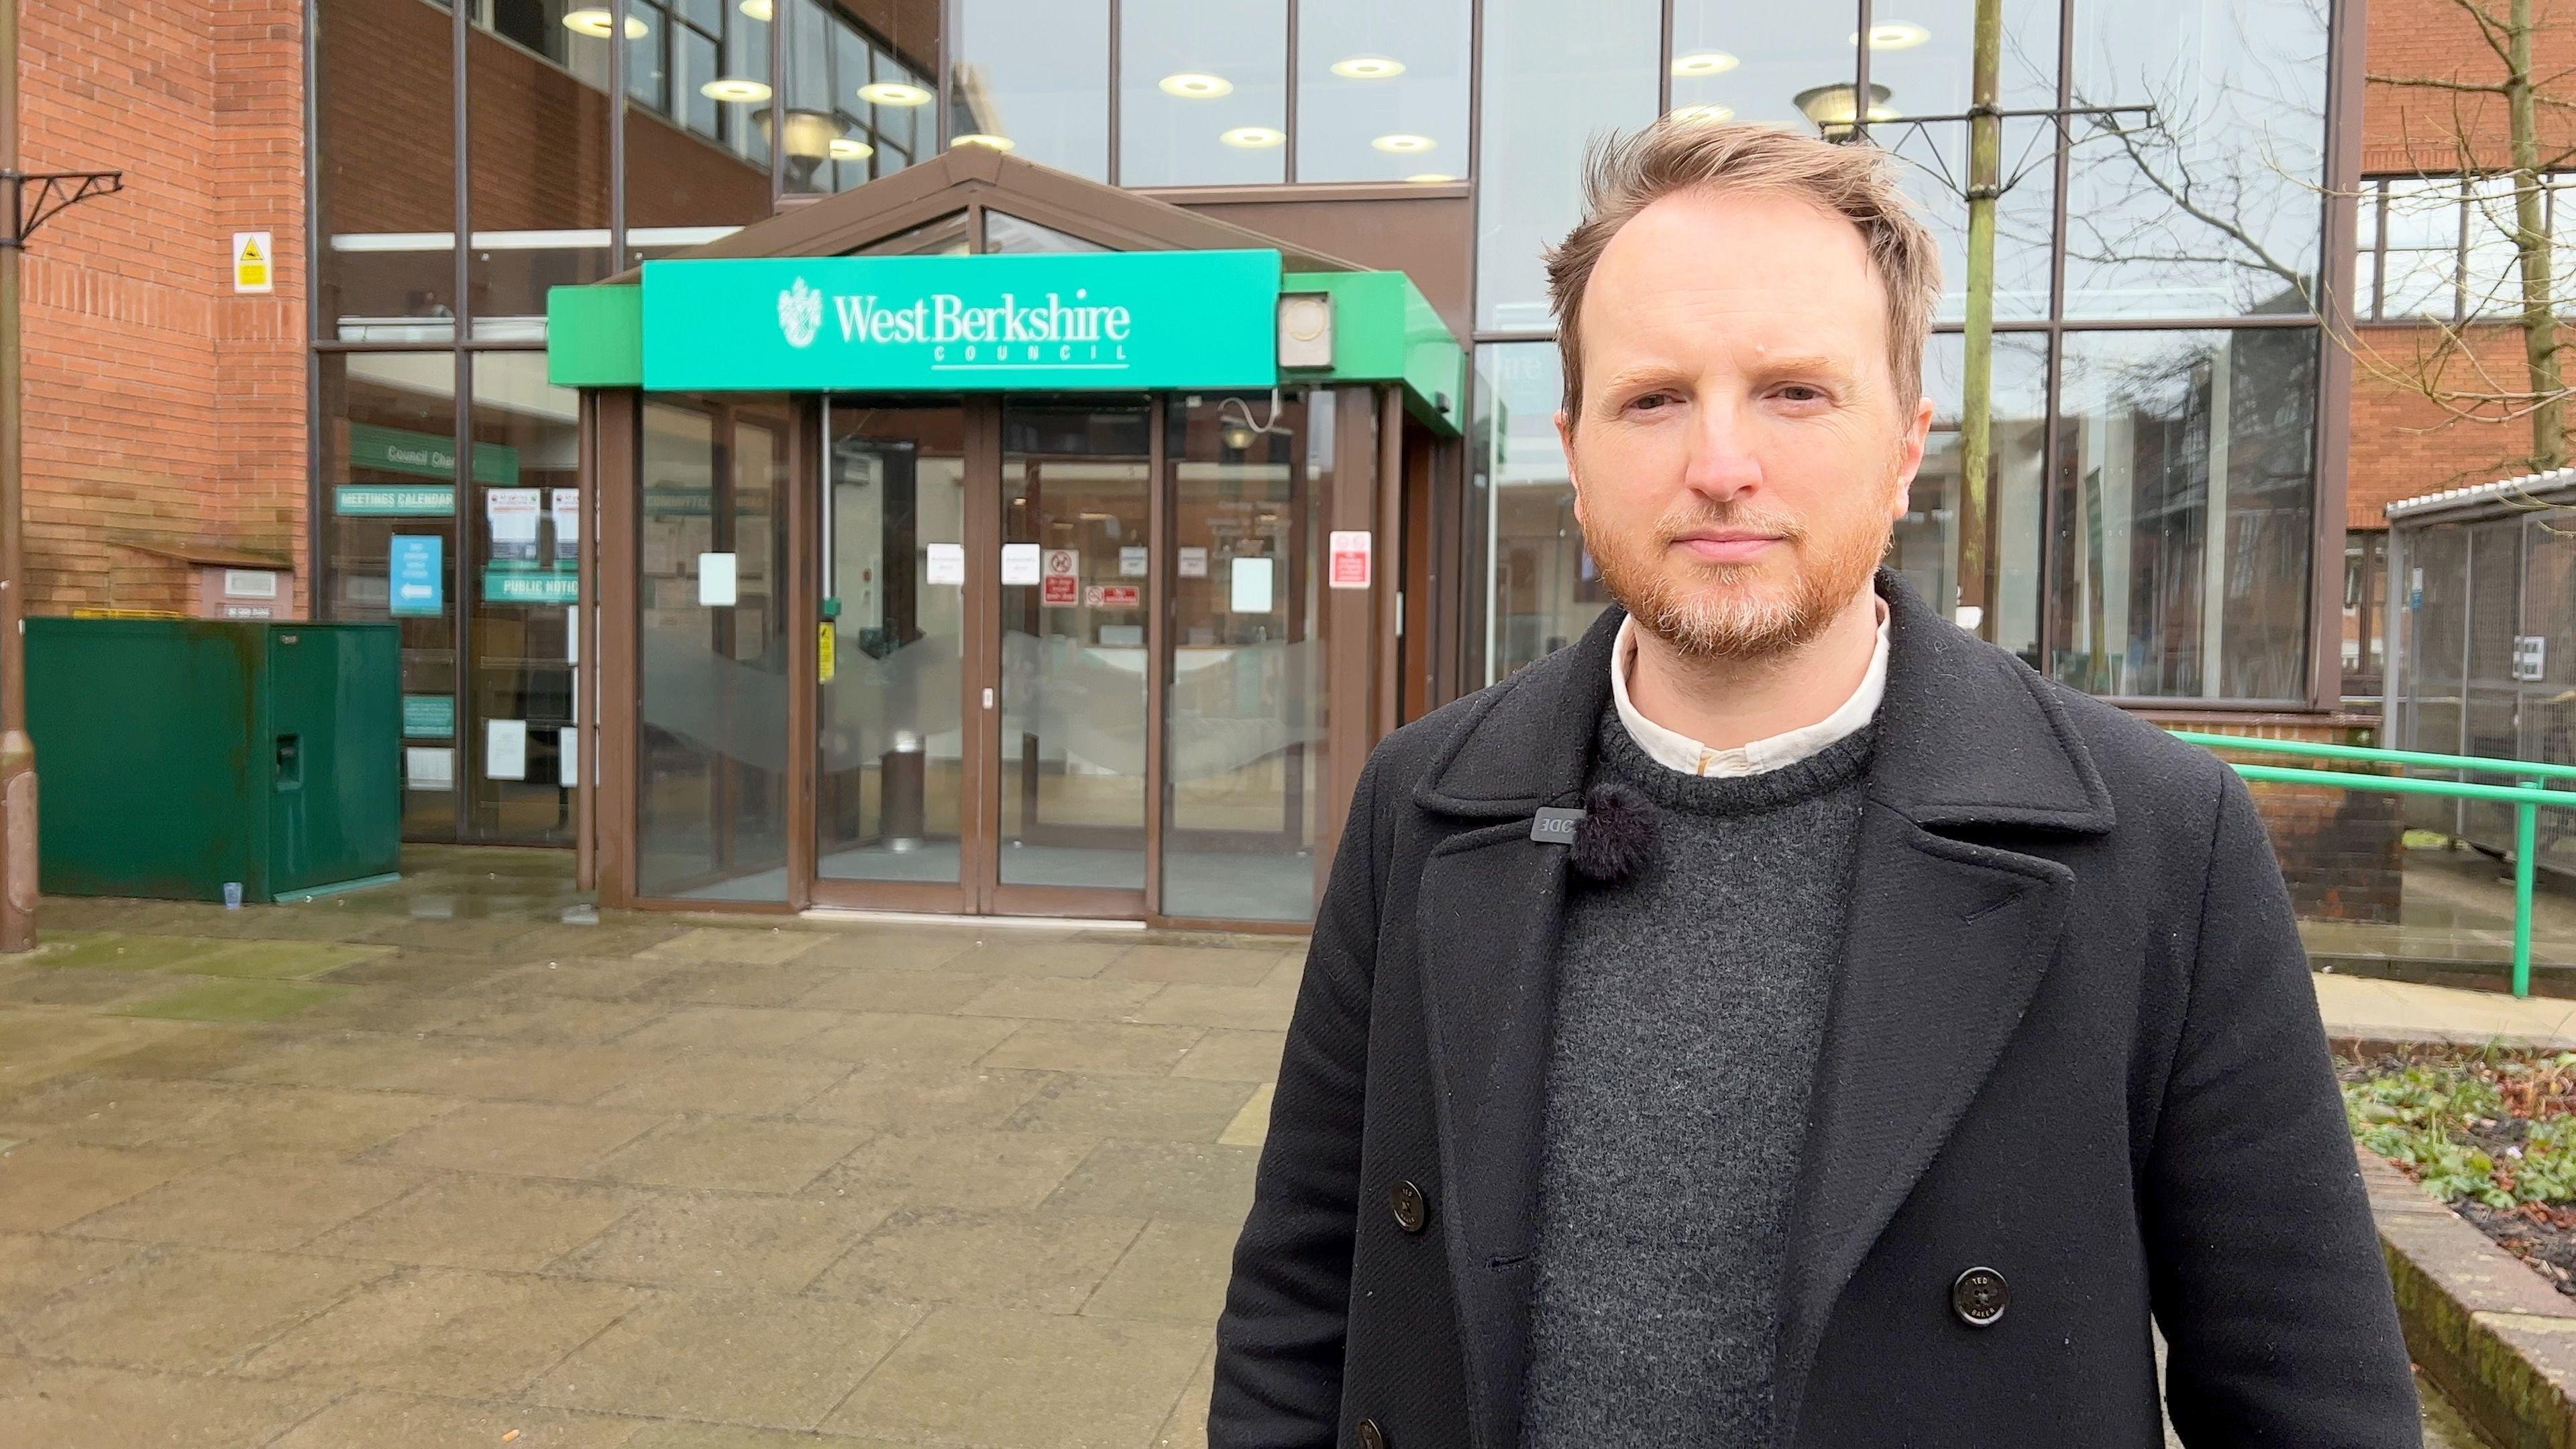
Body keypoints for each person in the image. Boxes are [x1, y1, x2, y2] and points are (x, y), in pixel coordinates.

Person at [1208, 117, 2419, 1448]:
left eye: (1795, 391)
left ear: (1908, 441)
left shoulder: (2158, 842)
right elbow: (1299, 1303)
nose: (1720, 462)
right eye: (1654, 397)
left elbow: (2311, 1397)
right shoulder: (1423, 804)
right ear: (1574, 447)